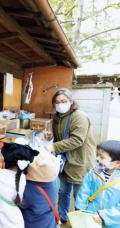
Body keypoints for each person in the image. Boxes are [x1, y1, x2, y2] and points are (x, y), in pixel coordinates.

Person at [45, 88, 96, 223]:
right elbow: (61, 137)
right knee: (63, 192)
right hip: (65, 160)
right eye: (57, 102)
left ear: (71, 101)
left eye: (63, 101)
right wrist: (51, 136)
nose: (60, 104)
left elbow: (77, 140)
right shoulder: (58, 117)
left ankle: (83, 223)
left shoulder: (79, 116)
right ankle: (62, 217)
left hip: (80, 160)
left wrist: (53, 146)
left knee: (80, 196)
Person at [75, 140, 120, 228]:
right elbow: (84, 192)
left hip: (112, 223)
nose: (97, 159)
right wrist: (80, 209)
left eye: (102, 157)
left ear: (117, 163)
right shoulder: (93, 173)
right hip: (90, 218)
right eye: (97, 155)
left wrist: (104, 216)